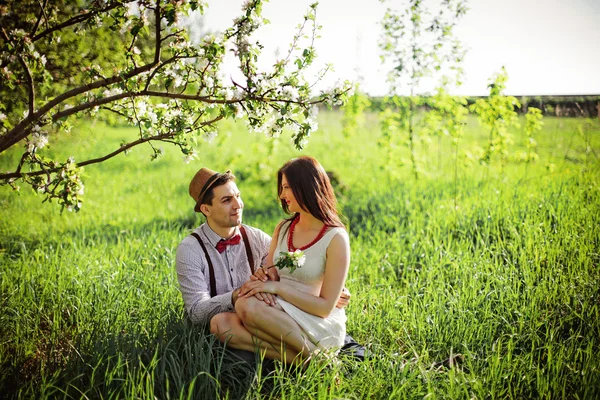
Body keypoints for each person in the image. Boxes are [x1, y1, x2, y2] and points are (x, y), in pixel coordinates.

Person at [175, 166, 352, 362]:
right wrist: (235, 296)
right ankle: (307, 359)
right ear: (206, 209)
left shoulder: (256, 238)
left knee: (246, 308)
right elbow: (196, 313)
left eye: (238, 196)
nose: (238, 205)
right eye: (227, 200)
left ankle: (308, 358)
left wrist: (337, 288)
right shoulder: (190, 250)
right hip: (243, 319)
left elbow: (297, 268)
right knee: (219, 323)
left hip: (266, 315)